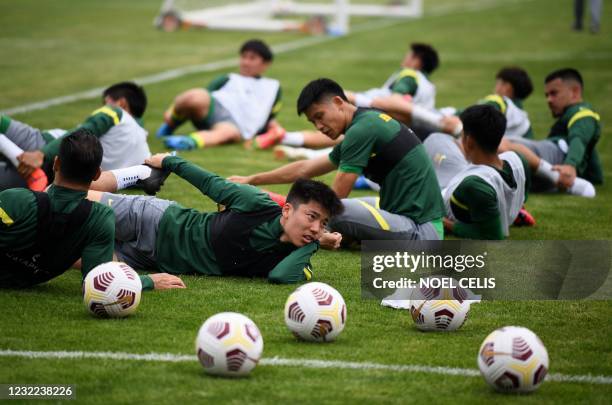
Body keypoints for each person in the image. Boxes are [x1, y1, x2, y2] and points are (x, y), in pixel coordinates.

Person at [230, 78, 446, 242]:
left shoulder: (362, 129)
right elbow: (306, 167)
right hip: (408, 218)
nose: (319, 127)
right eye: (313, 122)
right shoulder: (365, 122)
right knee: (334, 212)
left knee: (335, 213)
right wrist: (252, 179)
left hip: (423, 232)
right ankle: (277, 206)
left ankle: (270, 216)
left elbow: (337, 195)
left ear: (338, 102)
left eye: (319, 116)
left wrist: (315, 224)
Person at [87, 153, 344, 283]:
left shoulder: (297, 259)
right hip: (155, 219)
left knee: (81, 259)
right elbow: (211, 184)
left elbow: (278, 277)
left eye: (322, 223)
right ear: (287, 210)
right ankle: (137, 173)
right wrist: (170, 161)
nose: (314, 227)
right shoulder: (256, 204)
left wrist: (314, 241)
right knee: (72, 202)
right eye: (311, 216)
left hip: (148, 260)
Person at [0, 129, 183, 290]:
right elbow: (98, 280)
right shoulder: (99, 218)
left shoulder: (17, 200)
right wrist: (146, 281)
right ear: (97, 174)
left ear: (56, 164)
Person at [0, 82, 152, 191]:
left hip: (45, 148)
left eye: (105, 102)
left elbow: (83, 132)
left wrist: (42, 154)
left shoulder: (116, 112)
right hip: (56, 178)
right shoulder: (144, 152)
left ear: (122, 103)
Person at [158, 39, 283, 150]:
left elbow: (269, 116)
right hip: (214, 110)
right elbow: (206, 96)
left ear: (266, 63)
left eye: (252, 58)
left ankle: (188, 142)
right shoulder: (228, 78)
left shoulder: (273, 87)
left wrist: (269, 132)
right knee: (194, 96)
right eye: (243, 57)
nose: (245, 62)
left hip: (235, 125)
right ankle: (170, 124)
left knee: (227, 133)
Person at [428, 105, 530, 240]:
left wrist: (448, 225)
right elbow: (523, 196)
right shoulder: (518, 160)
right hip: (466, 184)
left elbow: (493, 236)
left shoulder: (474, 185)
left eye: (462, 133)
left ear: (469, 141)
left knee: (434, 140)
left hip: (443, 195)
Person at [500, 68, 601, 196]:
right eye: (547, 95)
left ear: (575, 91)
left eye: (554, 93)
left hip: (554, 159)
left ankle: (559, 178)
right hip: (549, 163)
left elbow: (579, 138)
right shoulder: (573, 115)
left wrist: (570, 165)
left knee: (496, 143)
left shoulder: (582, 113)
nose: (549, 99)